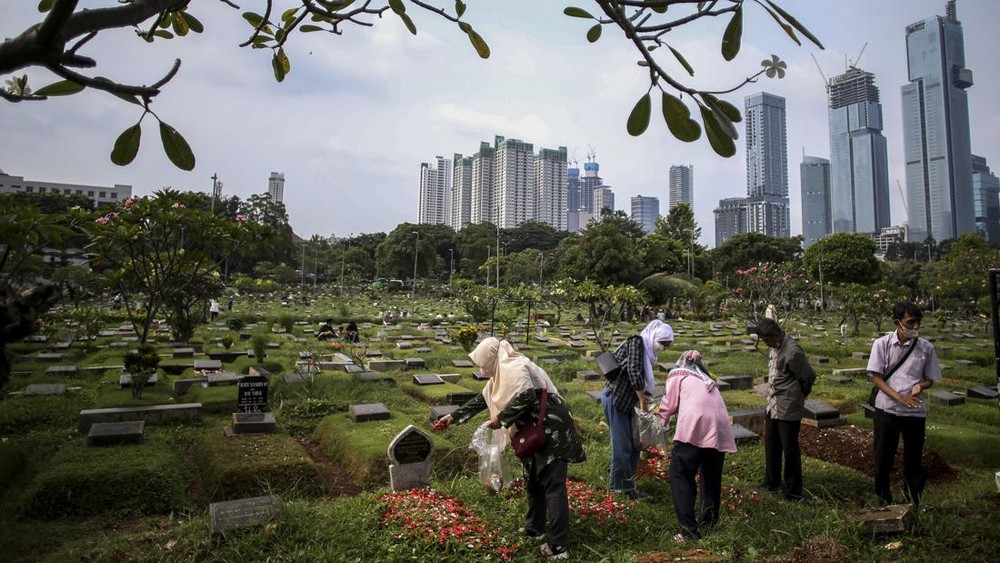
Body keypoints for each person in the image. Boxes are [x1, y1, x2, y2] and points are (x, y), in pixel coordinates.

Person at [434, 338, 585, 560]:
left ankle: (558, 545)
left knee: (553, 485)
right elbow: (482, 399)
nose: (482, 368)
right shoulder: (500, 375)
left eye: (483, 362)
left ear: (493, 357)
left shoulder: (516, 367)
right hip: (532, 430)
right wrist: (453, 417)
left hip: (551, 428)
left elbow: (527, 395)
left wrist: (501, 419)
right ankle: (535, 527)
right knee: (533, 479)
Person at [867, 301, 941, 507]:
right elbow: (877, 378)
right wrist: (899, 398)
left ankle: (913, 501)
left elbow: (930, 379)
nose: (915, 327)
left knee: (914, 459)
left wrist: (921, 385)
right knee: (883, 457)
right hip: (887, 410)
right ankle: (883, 499)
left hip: (914, 412)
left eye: (918, 323)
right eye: (911, 323)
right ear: (897, 322)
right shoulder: (881, 344)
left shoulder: (926, 348)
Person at [658, 350, 737, 541]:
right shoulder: (704, 377)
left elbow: (667, 406)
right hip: (719, 426)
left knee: (681, 474)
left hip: (696, 425)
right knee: (711, 476)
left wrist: (657, 425)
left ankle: (689, 530)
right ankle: (709, 523)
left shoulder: (678, 374)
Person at [602, 319, 674, 501]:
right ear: (655, 337)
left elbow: (641, 377)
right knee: (622, 445)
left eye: (667, 345)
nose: (662, 348)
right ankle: (621, 489)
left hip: (630, 400)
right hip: (617, 398)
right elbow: (634, 370)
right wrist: (642, 400)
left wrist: (646, 401)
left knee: (636, 444)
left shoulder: (649, 352)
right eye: (662, 343)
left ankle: (624, 484)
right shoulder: (637, 342)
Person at [751, 317, 816, 501]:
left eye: (767, 340)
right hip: (773, 405)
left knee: (789, 449)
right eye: (763, 341)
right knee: (771, 444)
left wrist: (796, 395)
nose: (766, 343)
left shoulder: (793, 351)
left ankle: (793, 491)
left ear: (777, 334)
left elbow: (808, 377)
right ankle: (771, 483)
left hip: (787, 406)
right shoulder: (774, 346)